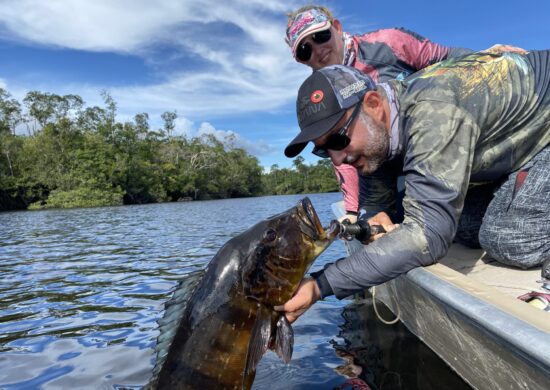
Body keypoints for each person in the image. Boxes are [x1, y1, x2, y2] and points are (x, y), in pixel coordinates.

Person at [277, 52, 550, 323]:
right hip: (522, 152)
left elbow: (427, 235)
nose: (338, 159)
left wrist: (319, 285)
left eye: (338, 139)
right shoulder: (377, 138)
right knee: (462, 228)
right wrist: (373, 220)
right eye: (324, 150)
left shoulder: (433, 111)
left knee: (509, 239)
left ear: (373, 104)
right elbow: (375, 208)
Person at [285, 5, 475, 222]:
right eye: (304, 50)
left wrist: (497, 57)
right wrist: (353, 212)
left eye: (320, 36)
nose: (317, 50)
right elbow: (344, 156)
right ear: (301, 60)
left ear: (337, 28)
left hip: (441, 146)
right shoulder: (320, 95)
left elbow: (450, 58)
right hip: (384, 170)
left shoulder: (388, 42)